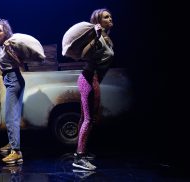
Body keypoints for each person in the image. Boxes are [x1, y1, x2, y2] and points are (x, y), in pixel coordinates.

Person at [72, 8, 114, 170]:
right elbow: (83, 54)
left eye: (110, 16)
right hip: (89, 79)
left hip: (91, 79)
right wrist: (95, 37)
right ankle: (80, 157)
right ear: (98, 21)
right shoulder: (96, 37)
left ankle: (80, 151)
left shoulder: (106, 38)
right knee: (89, 120)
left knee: (85, 118)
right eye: (106, 17)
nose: (110, 19)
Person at [0, 18, 25, 164]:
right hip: (10, 80)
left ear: (6, 32)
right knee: (13, 116)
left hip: (14, 79)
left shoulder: (8, 45)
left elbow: (20, 63)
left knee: (10, 117)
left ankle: (16, 152)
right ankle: (13, 144)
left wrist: (9, 49)